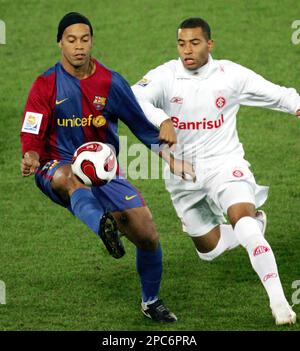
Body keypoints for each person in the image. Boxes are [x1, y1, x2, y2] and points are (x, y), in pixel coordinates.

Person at [20, 12, 195, 323]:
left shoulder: (111, 83)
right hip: (54, 165)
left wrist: (170, 158)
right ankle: (103, 224)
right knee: (69, 179)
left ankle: (151, 301)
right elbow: (32, 128)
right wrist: (31, 155)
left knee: (147, 234)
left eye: (84, 40)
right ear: (60, 42)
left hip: (104, 171)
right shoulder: (46, 84)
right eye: (71, 40)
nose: (78, 47)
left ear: (92, 42)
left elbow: (141, 126)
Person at [132, 17, 300, 325]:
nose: (187, 51)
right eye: (182, 44)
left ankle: (279, 302)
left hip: (225, 164)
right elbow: (134, 98)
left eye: (195, 43)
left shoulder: (230, 75)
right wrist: (162, 119)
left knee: (243, 221)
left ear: (210, 44)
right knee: (207, 249)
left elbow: (277, 94)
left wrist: (296, 105)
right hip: (183, 174)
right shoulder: (165, 76)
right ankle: (251, 227)